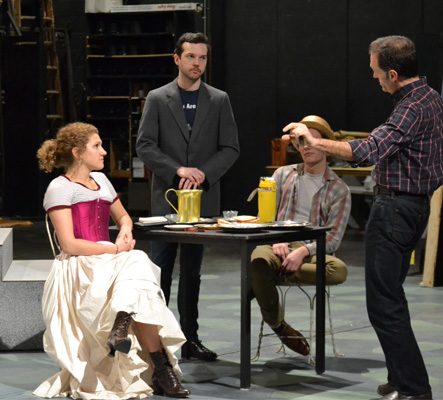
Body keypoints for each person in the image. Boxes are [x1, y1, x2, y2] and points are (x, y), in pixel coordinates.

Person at [283, 36, 443, 400]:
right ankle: (399, 378)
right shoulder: (430, 98)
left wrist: (312, 140)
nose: (374, 78)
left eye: (376, 73)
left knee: (384, 303)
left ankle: (414, 389)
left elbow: (367, 150)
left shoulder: (411, 109)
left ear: (393, 73)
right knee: (390, 297)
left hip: (396, 210)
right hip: (412, 208)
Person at [34, 122, 190, 399]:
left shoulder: (102, 181)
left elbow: (124, 217)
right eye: (97, 146)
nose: (104, 152)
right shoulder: (59, 188)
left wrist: (126, 232)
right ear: (78, 153)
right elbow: (69, 244)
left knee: (137, 262)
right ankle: (160, 369)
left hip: (111, 258)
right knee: (138, 263)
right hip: (81, 262)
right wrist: (116, 251)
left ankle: (122, 328)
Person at [136, 32, 240, 362]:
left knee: (192, 274)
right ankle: (157, 344)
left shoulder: (219, 99)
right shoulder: (157, 98)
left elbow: (230, 148)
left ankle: (190, 339)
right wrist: (179, 170)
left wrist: (203, 173)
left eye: (202, 57)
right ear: (177, 59)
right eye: (191, 56)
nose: (197, 63)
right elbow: (145, 145)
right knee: (160, 273)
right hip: (167, 200)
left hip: (203, 202)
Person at [251, 115, 351, 356]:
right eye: (302, 142)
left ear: (326, 146)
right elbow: (264, 218)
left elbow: (333, 239)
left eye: (313, 141)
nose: (306, 147)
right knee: (257, 260)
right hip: (278, 243)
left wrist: (303, 251)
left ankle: (270, 276)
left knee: (338, 270)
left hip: (312, 252)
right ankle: (279, 326)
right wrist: (277, 238)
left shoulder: (339, 189)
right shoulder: (282, 175)